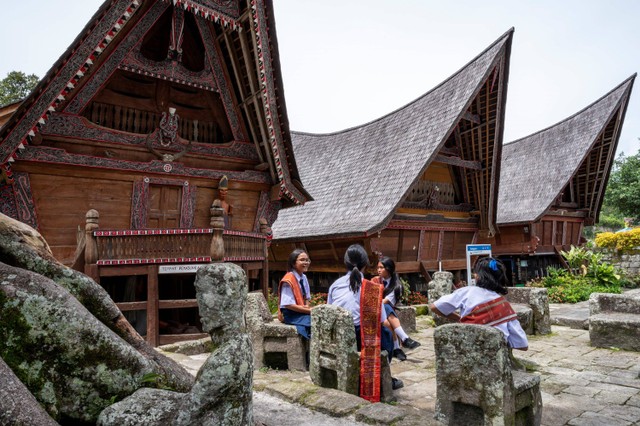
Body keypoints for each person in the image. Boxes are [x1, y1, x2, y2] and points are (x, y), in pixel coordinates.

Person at [327, 244, 403, 399]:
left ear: (345, 262)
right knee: (387, 333)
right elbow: (382, 321)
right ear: (365, 264)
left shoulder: (334, 286)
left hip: (339, 337)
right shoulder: (373, 288)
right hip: (361, 339)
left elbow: (330, 312)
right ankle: (384, 376)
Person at [429, 257, 528, 351]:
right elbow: (523, 345)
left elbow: (435, 307)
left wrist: (458, 318)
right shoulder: (503, 305)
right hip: (495, 356)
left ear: (477, 276)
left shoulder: (466, 292)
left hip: (467, 347)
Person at [372, 256, 421, 361]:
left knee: (386, 313)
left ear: (389, 269)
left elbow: (384, 302)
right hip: (377, 310)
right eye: (378, 268)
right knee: (386, 316)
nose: (378, 270)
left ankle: (397, 347)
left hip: (387, 311)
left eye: (381, 267)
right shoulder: (376, 280)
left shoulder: (396, 285)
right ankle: (404, 340)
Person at [278, 249, 312, 339]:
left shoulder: (303, 277)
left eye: (307, 260)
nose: (306, 262)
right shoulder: (288, 280)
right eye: (302, 260)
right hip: (291, 314)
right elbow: (288, 304)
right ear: (293, 263)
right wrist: (309, 311)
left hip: (302, 311)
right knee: (314, 321)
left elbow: (307, 298)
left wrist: (307, 308)